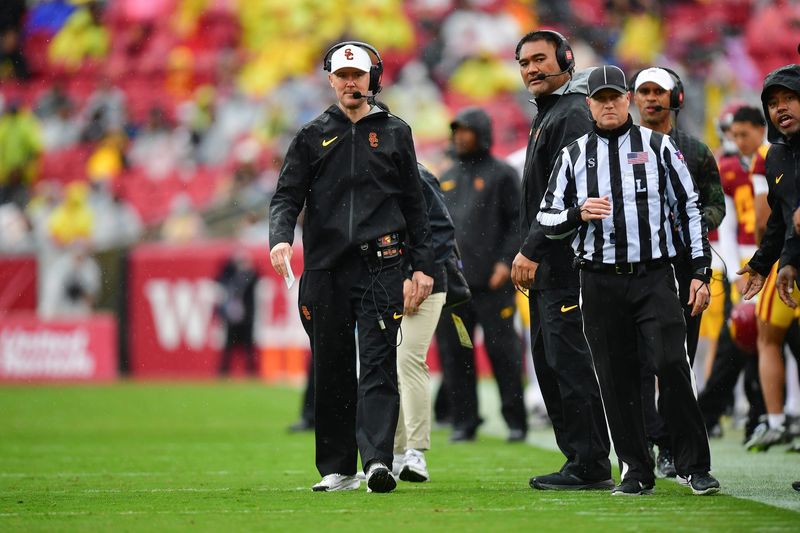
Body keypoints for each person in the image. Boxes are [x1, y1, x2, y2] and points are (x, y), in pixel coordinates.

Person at [537, 64, 720, 496]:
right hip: (598, 281)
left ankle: (695, 465)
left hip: (653, 276)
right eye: (600, 99)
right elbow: (547, 217)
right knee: (615, 378)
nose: (608, 105)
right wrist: (577, 213)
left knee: (671, 364)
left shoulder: (658, 147)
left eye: (615, 97)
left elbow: (689, 209)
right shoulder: (574, 155)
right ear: (589, 105)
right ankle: (636, 470)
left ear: (628, 100)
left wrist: (699, 272)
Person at [268, 41, 434, 494]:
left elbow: (415, 205)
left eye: (357, 75)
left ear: (371, 78)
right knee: (332, 367)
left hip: (382, 265)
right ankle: (338, 468)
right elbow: (286, 196)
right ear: (330, 81)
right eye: (342, 76)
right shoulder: (310, 135)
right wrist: (280, 238)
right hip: (324, 270)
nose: (349, 82)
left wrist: (423, 267)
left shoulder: (397, 132)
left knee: (380, 363)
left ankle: (379, 461)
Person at [510, 30, 612, 490]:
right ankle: (580, 458)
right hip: (554, 262)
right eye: (524, 62)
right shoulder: (551, 113)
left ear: (566, 60)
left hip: (567, 263)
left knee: (567, 361)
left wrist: (533, 247)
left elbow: (566, 196)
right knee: (551, 361)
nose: (531, 69)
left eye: (539, 59)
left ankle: (589, 462)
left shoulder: (570, 113)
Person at [630, 66, 725, 478]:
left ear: (676, 98)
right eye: (644, 91)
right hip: (634, 267)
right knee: (636, 362)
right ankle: (646, 441)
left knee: (676, 361)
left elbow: (716, 205)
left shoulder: (696, 150)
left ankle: (671, 444)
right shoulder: (617, 147)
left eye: (659, 92)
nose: (651, 99)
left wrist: (687, 220)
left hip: (685, 267)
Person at [436, 107, 527, 443]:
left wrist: (506, 262)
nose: (459, 136)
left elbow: (518, 222)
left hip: (493, 285)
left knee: (503, 352)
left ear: (482, 133)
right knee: (457, 353)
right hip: (455, 289)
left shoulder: (502, 174)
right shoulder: (446, 176)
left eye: (466, 130)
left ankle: (515, 421)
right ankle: (465, 420)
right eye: (455, 130)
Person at [739, 64, 800, 451]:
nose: (781, 109)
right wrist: (769, 265)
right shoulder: (776, 156)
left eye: (789, 99)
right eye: (773, 103)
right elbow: (781, 220)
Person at [698, 106, 769, 442]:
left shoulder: (777, 158)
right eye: (732, 133)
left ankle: (768, 414)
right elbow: (725, 226)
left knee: (761, 343)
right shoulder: (726, 168)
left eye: (742, 133)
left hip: (774, 261)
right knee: (738, 340)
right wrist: (732, 271)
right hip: (742, 264)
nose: (736, 140)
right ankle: (721, 413)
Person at [393, 162, 454, 482]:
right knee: (384, 365)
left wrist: (416, 271)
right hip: (380, 285)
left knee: (408, 360)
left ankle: (415, 452)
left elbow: (441, 229)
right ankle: (393, 450)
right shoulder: (360, 170)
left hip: (424, 283)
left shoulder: (414, 174)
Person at [215, 246, 259, 377]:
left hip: (246, 317)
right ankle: (224, 371)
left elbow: (257, 277)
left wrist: (248, 269)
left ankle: (251, 372)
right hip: (232, 317)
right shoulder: (230, 275)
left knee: (248, 346)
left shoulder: (251, 275)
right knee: (229, 346)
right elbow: (219, 279)